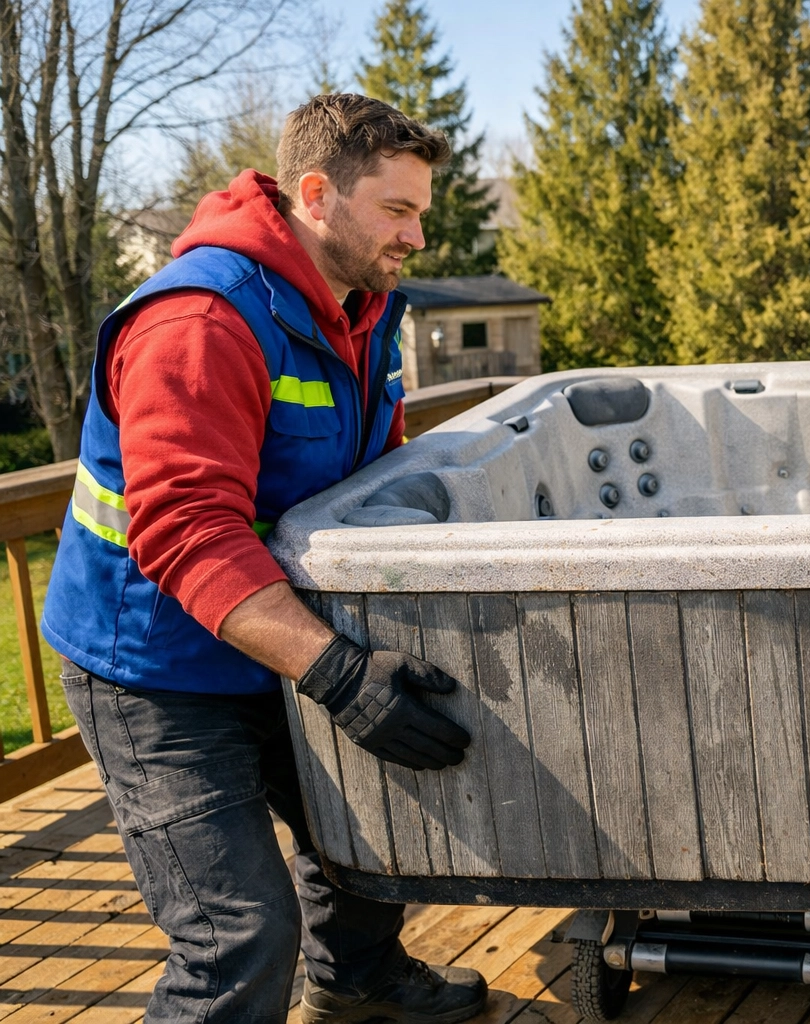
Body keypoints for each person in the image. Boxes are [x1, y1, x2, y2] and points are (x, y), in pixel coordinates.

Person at [40, 94, 485, 1024]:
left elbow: (369, 473)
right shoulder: (199, 322)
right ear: (316, 194)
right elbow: (185, 530)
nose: (416, 237)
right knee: (237, 932)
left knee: (369, 826)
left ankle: (356, 977)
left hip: (270, 633)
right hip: (152, 668)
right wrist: (340, 675)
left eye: (421, 214)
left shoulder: (363, 308)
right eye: (397, 211)